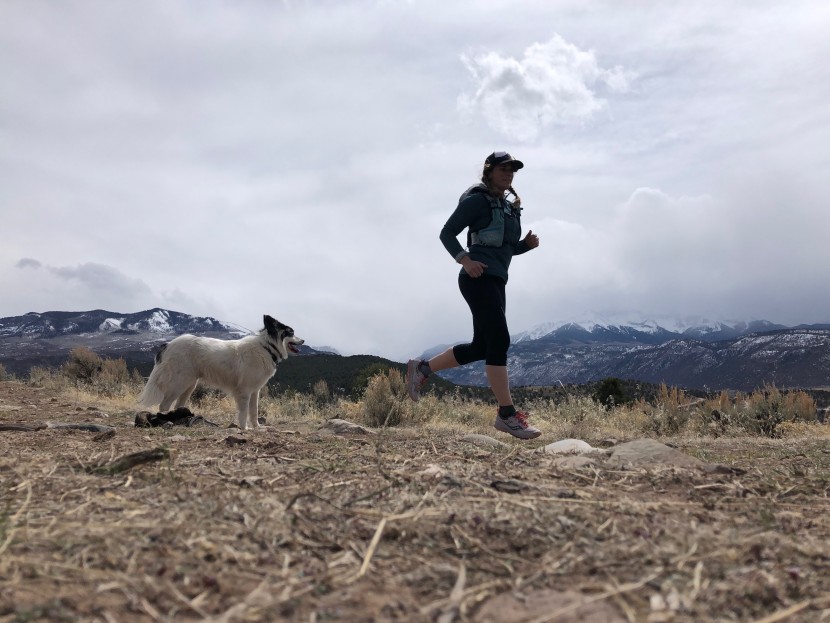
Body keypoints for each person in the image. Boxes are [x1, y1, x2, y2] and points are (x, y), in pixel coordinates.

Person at [406, 151, 541, 440]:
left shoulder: (507, 207)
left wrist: (525, 246)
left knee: (483, 346)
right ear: (489, 171)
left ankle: (423, 368)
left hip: (496, 280)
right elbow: (447, 233)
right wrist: (465, 260)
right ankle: (506, 414)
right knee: (500, 339)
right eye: (503, 169)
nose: (509, 173)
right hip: (476, 278)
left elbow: (505, 249)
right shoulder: (477, 201)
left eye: (512, 170)